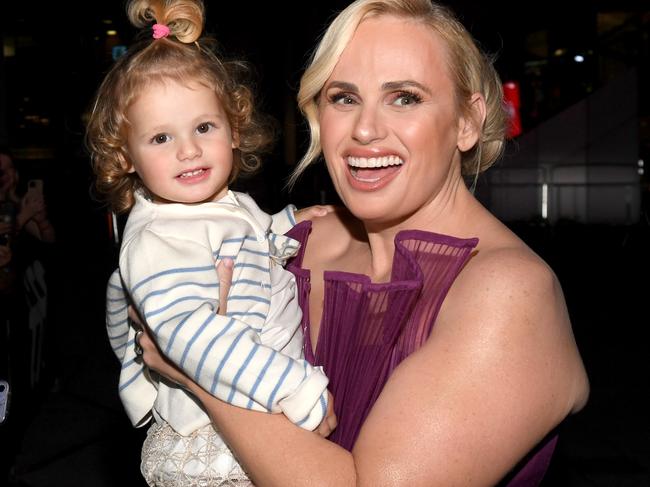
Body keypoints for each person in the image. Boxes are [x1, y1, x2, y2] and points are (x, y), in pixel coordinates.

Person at [136, 0, 590, 485]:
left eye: (405, 97)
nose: (365, 130)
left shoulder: (509, 294)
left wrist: (200, 369)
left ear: (467, 120)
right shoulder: (292, 244)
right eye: (344, 98)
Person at [87, 1, 334, 485]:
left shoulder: (221, 204)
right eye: (161, 137)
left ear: (234, 129)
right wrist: (295, 388)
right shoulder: (157, 239)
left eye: (204, 127)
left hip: (241, 417)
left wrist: (288, 221)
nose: (189, 149)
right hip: (212, 449)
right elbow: (192, 336)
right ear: (126, 156)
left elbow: (245, 238)